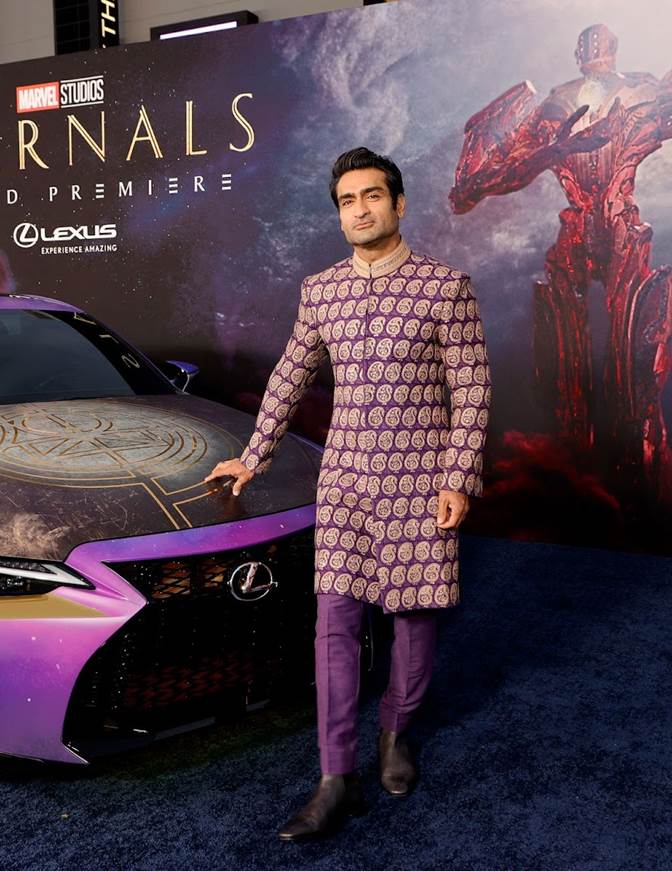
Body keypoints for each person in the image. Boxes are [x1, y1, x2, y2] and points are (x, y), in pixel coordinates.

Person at [204, 147, 491, 842]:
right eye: (347, 201)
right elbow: (290, 374)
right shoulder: (321, 290)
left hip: (421, 481)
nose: (360, 210)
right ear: (339, 214)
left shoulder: (445, 286)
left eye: (372, 196)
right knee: (333, 622)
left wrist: (457, 476)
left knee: (413, 617)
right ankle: (335, 775)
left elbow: (472, 388)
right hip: (345, 484)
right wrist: (253, 455)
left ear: (398, 204)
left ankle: (395, 731)